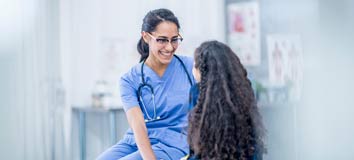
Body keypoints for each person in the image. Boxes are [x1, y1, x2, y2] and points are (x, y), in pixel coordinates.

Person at [97, 8, 195, 160]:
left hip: (174, 144)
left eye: (174, 39)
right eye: (162, 40)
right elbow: (138, 125)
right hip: (136, 141)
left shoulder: (191, 67)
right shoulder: (130, 79)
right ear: (146, 37)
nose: (169, 47)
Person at [185, 41, 266, 160]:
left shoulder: (197, 93)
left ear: (202, 70)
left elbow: (196, 151)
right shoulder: (244, 93)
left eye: (194, 65)